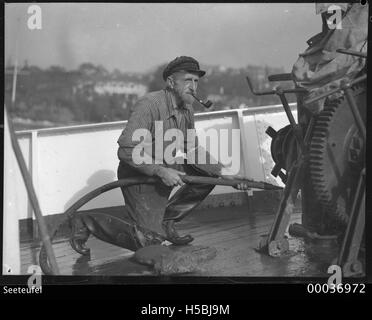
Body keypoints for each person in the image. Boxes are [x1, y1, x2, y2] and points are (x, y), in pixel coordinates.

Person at [117, 56, 249, 247]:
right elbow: (126, 149)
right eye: (188, 80)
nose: (193, 87)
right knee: (150, 242)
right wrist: (161, 171)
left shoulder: (187, 109)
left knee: (208, 175)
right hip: (139, 175)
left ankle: (167, 221)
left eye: (196, 81)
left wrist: (226, 174)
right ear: (171, 82)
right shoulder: (149, 104)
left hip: (166, 166)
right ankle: (87, 224)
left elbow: (193, 149)